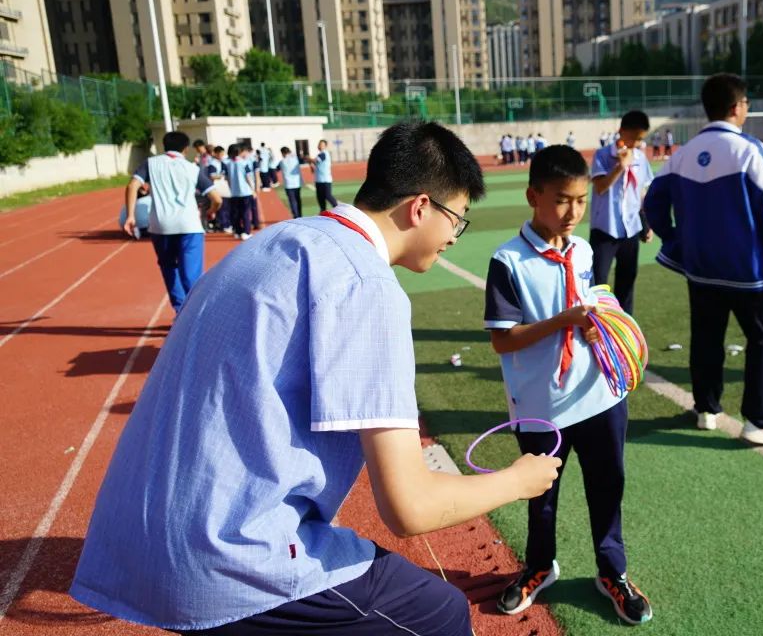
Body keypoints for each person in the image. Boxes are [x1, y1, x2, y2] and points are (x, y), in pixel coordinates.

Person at [71, 121, 561, 636]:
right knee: (437, 612)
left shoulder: (276, 241)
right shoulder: (367, 285)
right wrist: (517, 481)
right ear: (420, 208)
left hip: (130, 545)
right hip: (224, 560)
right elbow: (409, 507)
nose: (453, 238)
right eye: (455, 221)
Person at [484, 145, 653, 626]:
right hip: (542, 407)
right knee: (542, 498)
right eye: (561, 200)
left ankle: (612, 572)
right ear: (533, 196)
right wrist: (562, 321)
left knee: (608, 486)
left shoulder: (582, 249)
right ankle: (540, 567)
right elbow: (502, 339)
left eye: (580, 200)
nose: (573, 212)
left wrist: (598, 325)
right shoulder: (508, 261)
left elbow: (592, 304)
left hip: (600, 397)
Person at [644, 73, 763, 441]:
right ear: (737, 107)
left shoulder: (682, 154)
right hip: (751, 273)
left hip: (701, 271)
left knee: (706, 339)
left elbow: (653, 202)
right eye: (746, 102)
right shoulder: (750, 150)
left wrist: (676, 242)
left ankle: (706, 409)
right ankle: (759, 421)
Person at [123, 131, 222, 314]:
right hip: (189, 225)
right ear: (185, 149)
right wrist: (210, 212)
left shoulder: (150, 164)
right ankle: (196, 313)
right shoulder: (192, 168)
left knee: (169, 268)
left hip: (160, 226)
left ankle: (180, 310)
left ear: (163, 146)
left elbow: (132, 185)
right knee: (191, 274)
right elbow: (216, 198)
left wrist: (131, 216)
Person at [589, 110, 653, 315]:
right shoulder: (603, 155)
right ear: (621, 131)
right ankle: (596, 325)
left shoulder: (641, 159)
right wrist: (619, 167)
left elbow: (641, 194)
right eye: (633, 137)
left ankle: (624, 326)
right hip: (605, 229)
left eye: (640, 138)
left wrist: (646, 224)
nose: (636, 142)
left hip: (630, 230)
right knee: (598, 283)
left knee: (627, 282)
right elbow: (600, 187)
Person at [225, 143, 256, 241]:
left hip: (234, 192)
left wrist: (231, 188)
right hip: (245, 192)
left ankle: (238, 231)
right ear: (238, 152)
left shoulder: (228, 163)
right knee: (246, 212)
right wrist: (253, 189)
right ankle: (246, 232)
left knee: (236, 213)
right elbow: (248, 177)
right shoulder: (244, 162)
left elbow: (228, 178)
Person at [309, 139, 339, 211]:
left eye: (322, 145)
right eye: (319, 144)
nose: (320, 146)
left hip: (325, 180)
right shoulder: (319, 155)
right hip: (318, 180)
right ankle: (323, 211)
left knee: (327, 196)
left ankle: (338, 209)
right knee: (320, 198)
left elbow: (314, 160)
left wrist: (308, 158)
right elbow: (313, 169)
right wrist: (310, 163)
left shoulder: (323, 154)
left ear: (325, 146)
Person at [279, 145, 303, 219]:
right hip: (297, 183)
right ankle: (300, 215)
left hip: (288, 184)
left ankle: (296, 216)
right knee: (298, 199)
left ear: (283, 153)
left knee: (292, 201)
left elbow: (276, 168)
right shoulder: (295, 159)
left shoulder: (282, 161)